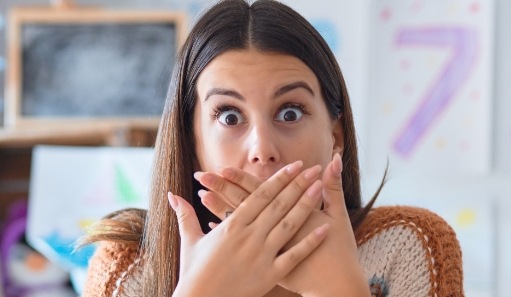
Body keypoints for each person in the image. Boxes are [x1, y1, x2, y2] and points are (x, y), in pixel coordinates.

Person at [80, 0, 464, 296]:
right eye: (230, 117)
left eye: (290, 112)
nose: (262, 148)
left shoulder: (410, 244)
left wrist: (340, 289)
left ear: (336, 137)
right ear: (191, 142)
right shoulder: (129, 266)